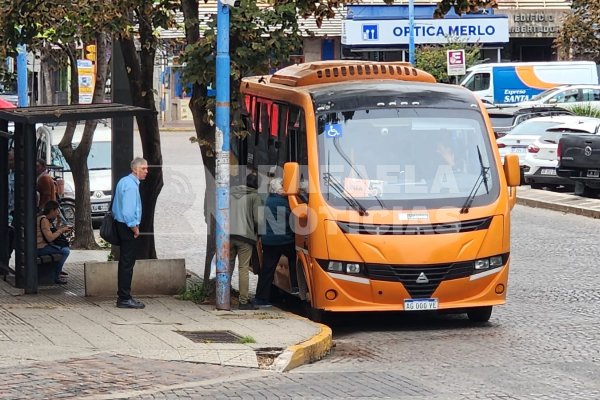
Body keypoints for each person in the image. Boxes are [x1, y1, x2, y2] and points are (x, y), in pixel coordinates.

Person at [254, 178, 298, 307]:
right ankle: (295, 286)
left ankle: (260, 299)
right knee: (294, 257)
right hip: (283, 240)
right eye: (284, 187)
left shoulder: (268, 200)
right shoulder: (284, 202)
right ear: (279, 189)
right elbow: (293, 218)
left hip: (268, 241)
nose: (286, 190)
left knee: (267, 270)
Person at [112, 157, 148, 309]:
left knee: (125, 262)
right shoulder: (131, 186)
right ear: (135, 169)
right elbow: (127, 212)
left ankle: (124, 296)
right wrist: (134, 227)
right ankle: (124, 297)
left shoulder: (123, 182)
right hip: (127, 227)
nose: (146, 171)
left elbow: (115, 207)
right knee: (127, 263)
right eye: (144, 168)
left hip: (120, 225)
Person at [230, 173, 262, 310]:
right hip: (245, 237)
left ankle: (223, 295)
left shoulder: (231, 193)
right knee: (243, 268)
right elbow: (258, 219)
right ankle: (243, 301)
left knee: (227, 266)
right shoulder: (255, 196)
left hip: (228, 235)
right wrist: (258, 233)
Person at [36, 200, 71, 284]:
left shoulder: (44, 219)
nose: (58, 212)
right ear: (52, 210)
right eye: (57, 210)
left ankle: (56, 271)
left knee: (63, 249)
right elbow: (50, 238)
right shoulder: (43, 220)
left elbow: (53, 231)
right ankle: (56, 275)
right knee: (65, 251)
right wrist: (61, 230)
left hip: (40, 246)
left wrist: (58, 222)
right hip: (40, 247)